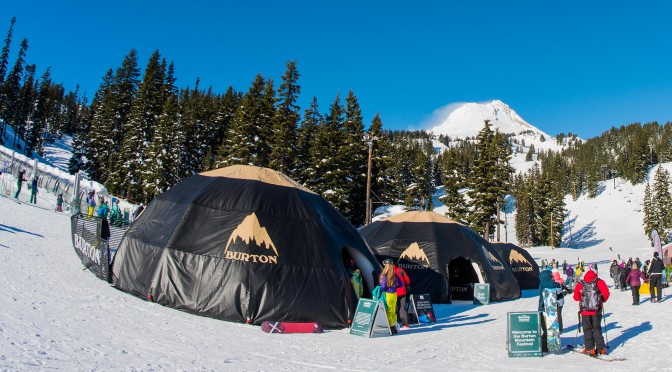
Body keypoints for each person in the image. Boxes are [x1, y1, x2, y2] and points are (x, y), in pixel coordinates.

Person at [573, 266, 610, 356]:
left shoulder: (581, 283)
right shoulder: (599, 282)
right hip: (596, 310)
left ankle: (590, 348)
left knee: (587, 329)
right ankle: (601, 348)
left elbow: (576, 297)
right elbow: (606, 293)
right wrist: (601, 301)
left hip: (585, 311)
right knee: (597, 328)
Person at [380, 259, 402, 334]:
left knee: (389, 311)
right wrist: (395, 287)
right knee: (393, 311)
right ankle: (395, 326)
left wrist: (380, 289)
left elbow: (382, 287)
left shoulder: (384, 275)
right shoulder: (395, 275)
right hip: (394, 294)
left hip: (388, 294)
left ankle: (391, 328)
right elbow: (401, 285)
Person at [394, 261, 411, 329]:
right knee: (402, 307)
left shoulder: (387, 271)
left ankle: (394, 323)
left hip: (392, 292)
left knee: (393, 308)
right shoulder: (400, 270)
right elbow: (407, 279)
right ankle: (405, 324)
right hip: (402, 292)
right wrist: (407, 285)